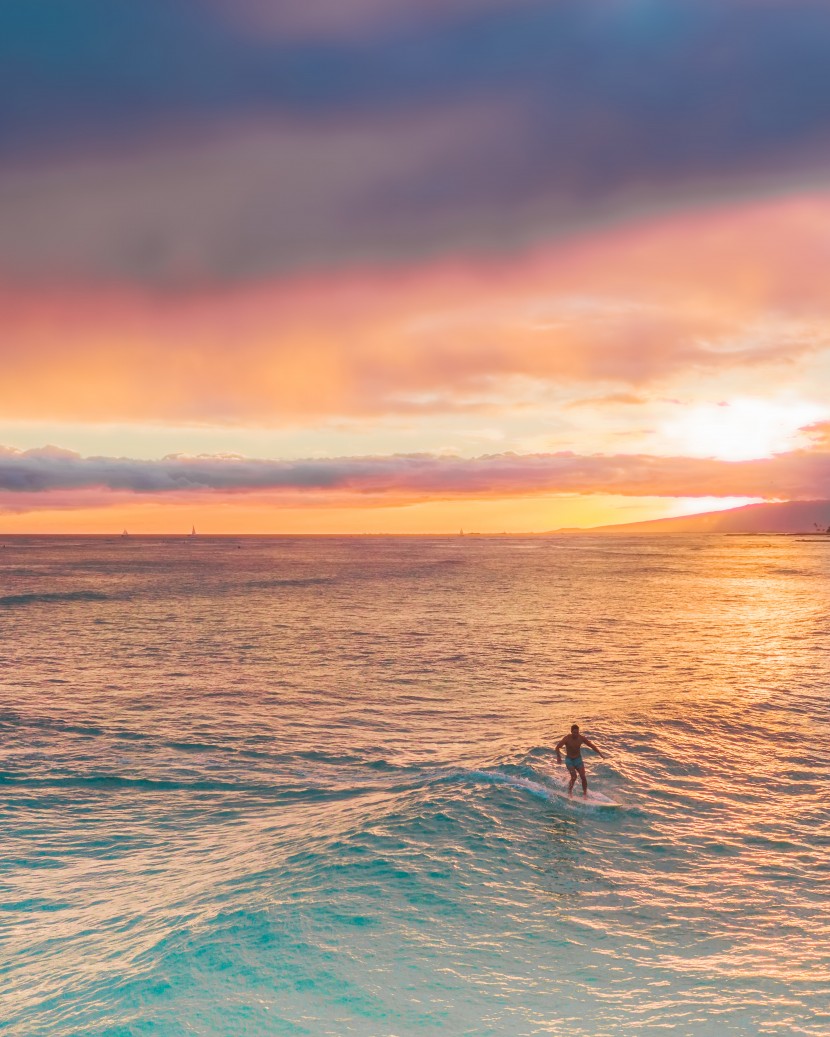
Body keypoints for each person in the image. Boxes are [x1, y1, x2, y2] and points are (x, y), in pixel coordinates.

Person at [555, 724, 606, 796]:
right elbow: (557, 747)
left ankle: (585, 794)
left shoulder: (581, 738)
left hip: (578, 759)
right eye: (574, 732)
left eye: (577, 732)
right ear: (571, 731)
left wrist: (600, 754)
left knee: (583, 776)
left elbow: (591, 745)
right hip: (569, 760)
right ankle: (569, 792)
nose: (576, 734)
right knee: (574, 777)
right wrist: (558, 756)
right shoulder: (567, 738)